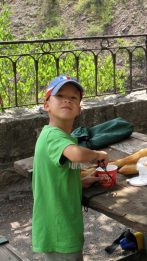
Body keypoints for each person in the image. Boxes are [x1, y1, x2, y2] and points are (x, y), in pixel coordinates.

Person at [32, 75, 108, 261]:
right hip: (61, 228)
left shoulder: (61, 137)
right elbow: (77, 155)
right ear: (46, 105)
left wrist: (80, 180)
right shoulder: (53, 136)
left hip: (57, 225)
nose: (67, 100)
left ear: (79, 109)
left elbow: (61, 171)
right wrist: (98, 155)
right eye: (60, 96)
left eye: (73, 97)